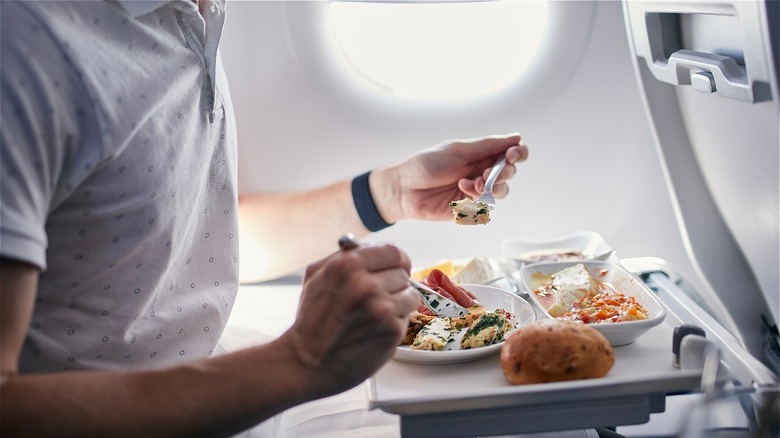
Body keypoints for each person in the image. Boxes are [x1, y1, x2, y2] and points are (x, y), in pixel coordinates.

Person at [0, 0, 528, 436]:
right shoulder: (27, 48)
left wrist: (389, 193)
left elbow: (188, 241)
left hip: (227, 384)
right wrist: (296, 362)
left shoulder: (195, 14)